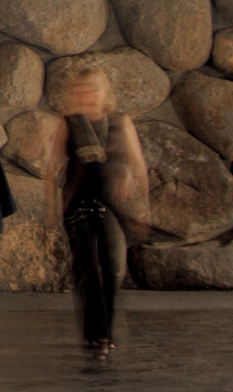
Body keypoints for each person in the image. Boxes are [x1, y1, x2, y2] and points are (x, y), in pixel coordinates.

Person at [42, 64, 152, 362]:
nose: (84, 96)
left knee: (110, 266)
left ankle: (104, 331)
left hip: (111, 204)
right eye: (79, 91)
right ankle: (98, 333)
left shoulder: (119, 123)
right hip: (78, 203)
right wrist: (53, 208)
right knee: (89, 266)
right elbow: (52, 169)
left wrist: (139, 197)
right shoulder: (70, 124)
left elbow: (136, 163)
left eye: (89, 90)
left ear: (101, 92)